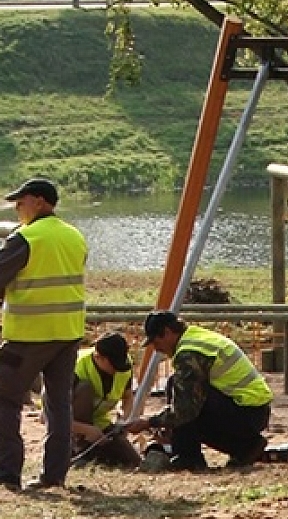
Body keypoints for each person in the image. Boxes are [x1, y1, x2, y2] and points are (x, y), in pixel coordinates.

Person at [0, 178, 87, 490]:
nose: (18, 209)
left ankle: (8, 473)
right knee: (60, 406)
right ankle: (54, 476)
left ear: (38, 201)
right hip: (67, 334)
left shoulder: (25, 238)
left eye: (20, 202)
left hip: (28, 336)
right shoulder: (74, 236)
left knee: (4, 399)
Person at [126, 311, 273, 471]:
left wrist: (150, 422)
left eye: (156, 341)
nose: (156, 349)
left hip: (245, 412)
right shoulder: (196, 337)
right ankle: (245, 447)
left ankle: (188, 458)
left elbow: (186, 409)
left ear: (167, 332)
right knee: (175, 385)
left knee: (183, 395)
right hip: (253, 410)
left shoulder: (189, 353)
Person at [71, 332, 141, 468]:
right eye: (113, 364)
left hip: (102, 427)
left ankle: (94, 454)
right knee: (85, 388)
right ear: (99, 357)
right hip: (70, 429)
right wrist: (87, 430)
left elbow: (127, 396)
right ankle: (76, 449)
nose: (117, 369)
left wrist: (123, 420)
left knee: (132, 460)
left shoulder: (124, 365)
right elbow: (49, 417)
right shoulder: (75, 367)